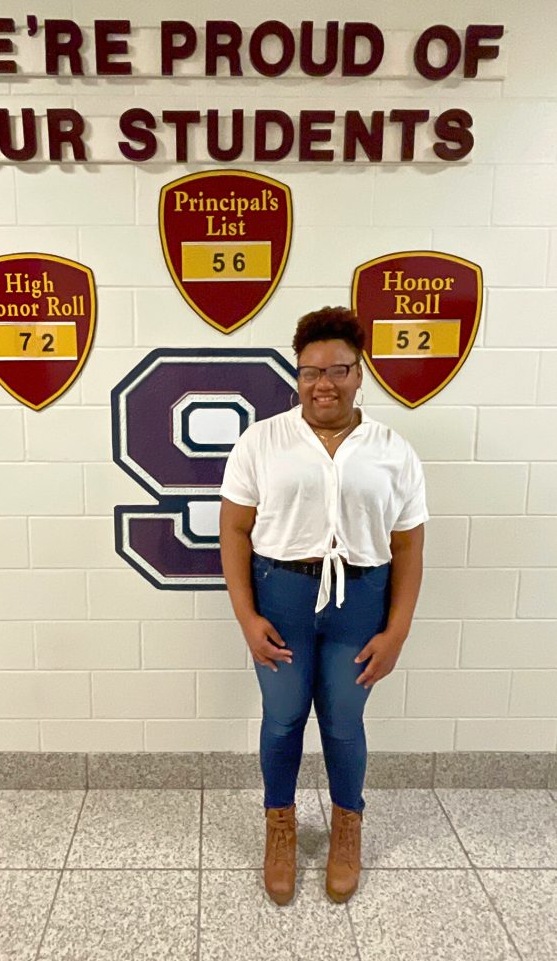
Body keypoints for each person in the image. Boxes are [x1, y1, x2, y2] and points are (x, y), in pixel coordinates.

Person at [219, 305, 427, 907]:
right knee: (283, 719)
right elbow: (233, 533)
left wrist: (398, 631)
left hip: (361, 601)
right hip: (280, 596)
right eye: (310, 372)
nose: (323, 384)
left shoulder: (393, 450)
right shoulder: (262, 442)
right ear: (297, 376)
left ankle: (347, 828)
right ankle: (279, 826)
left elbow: (409, 547)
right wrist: (246, 615)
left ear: (361, 374)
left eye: (338, 370)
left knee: (342, 722)